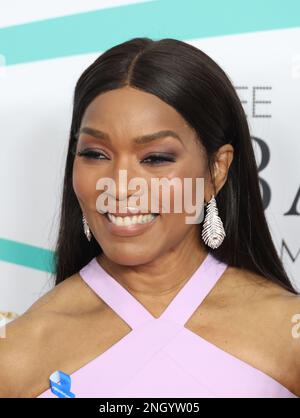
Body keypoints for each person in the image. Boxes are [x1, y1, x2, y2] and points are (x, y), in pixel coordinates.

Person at [0, 37, 299, 398]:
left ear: (217, 170)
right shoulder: (16, 351)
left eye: (155, 158)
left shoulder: (288, 333)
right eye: (95, 154)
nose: (121, 188)